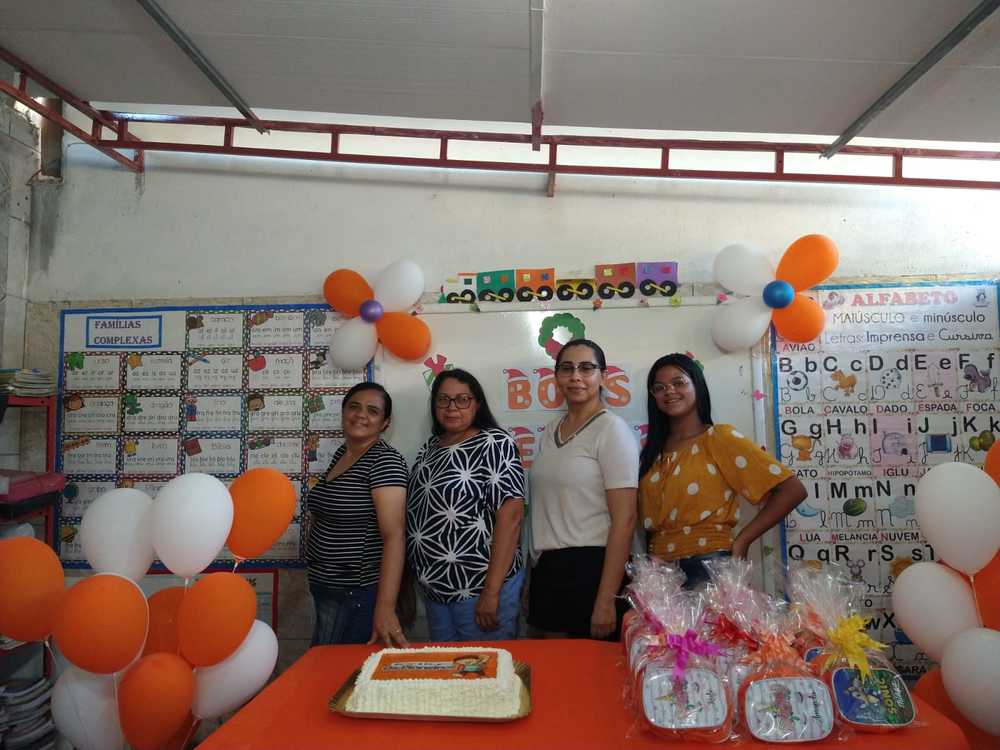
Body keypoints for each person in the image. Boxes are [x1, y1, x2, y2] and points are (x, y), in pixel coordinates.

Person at [638, 353, 807, 588]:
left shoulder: (718, 438)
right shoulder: (651, 452)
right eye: (659, 387)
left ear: (697, 385)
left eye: (679, 382)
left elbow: (793, 490)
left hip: (709, 565)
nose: (669, 391)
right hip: (659, 572)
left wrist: (743, 541)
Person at [528, 339, 639, 640]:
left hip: (593, 571)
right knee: (552, 666)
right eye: (567, 368)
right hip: (548, 570)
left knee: (591, 667)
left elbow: (625, 519)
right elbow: (545, 511)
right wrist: (532, 576)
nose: (576, 376)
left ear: (603, 376)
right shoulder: (551, 430)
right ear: (556, 376)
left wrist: (606, 600)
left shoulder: (612, 430)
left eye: (587, 368)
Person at [407, 369, 526, 641]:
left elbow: (511, 517)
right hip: (436, 594)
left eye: (462, 399)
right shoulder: (430, 448)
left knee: (482, 667)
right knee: (446, 669)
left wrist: (491, 592)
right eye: (443, 399)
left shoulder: (494, 443)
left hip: (479, 591)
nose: (452, 407)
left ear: (477, 404)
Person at [303, 382, 409, 646]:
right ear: (343, 411)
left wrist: (385, 608)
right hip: (326, 587)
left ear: (385, 423)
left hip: (354, 593)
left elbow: (395, 537)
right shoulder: (344, 452)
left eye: (373, 411)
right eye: (354, 407)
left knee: (334, 667)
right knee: (327, 663)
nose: (361, 415)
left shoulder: (384, 461)